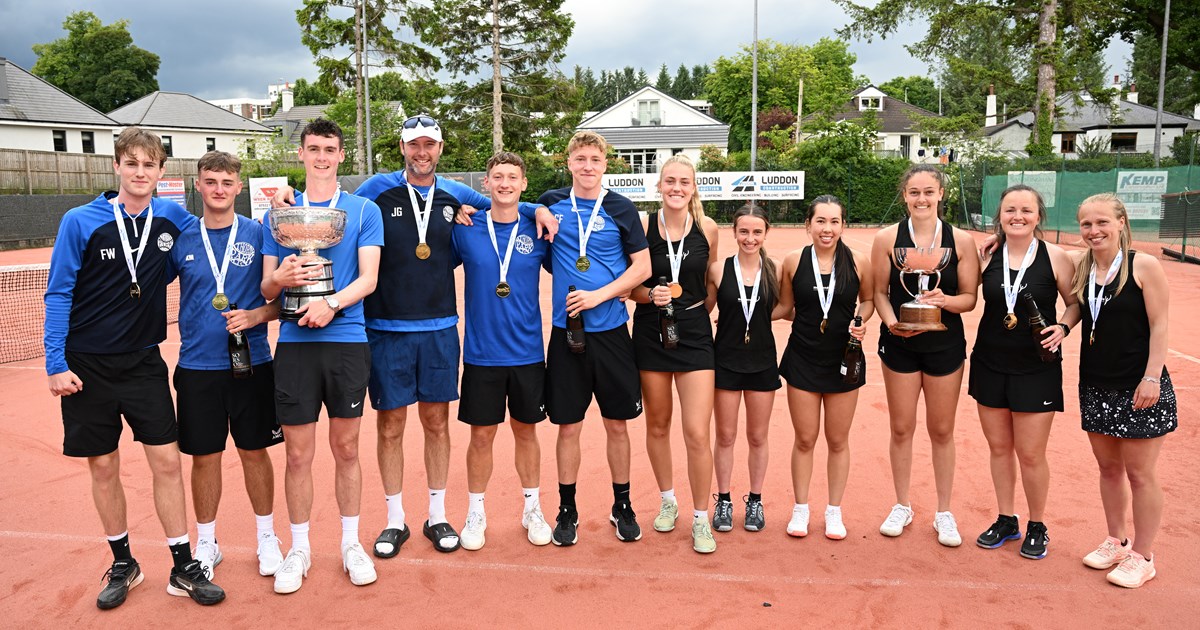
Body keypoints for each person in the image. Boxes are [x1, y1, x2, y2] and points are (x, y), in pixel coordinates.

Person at [44, 126, 224, 608]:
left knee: (166, 461)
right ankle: (124, 562)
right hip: (86, 365)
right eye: (132, 163)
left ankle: (184, 564)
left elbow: (215, 227)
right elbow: (59, 292)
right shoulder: (80, 221)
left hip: (144, 360)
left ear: (162, 171)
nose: (140, 172)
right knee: (103, 465)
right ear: (117, 166)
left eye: (150, 164)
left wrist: (283, 203)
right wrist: (55, 362)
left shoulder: (172, 218)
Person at [261, 119, 383, 593]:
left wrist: (329, 303)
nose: (322, 157)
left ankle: (351, 543)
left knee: (347, 449)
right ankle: (300, 547)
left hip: (348, 339)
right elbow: (266, 286)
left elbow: (368, 279)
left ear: (342, 155)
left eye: (330, 149)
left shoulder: (362, 210)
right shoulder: (280, 214)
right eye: (313, 149)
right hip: (294, 345)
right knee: (297, 455)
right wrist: (286, 278)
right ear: (301, 154)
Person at [170, 151, 285, 579]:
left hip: (251, 364)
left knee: (255, 453)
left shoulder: (259, 234)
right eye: (211, 181)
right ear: (198, 186)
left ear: (239, 187)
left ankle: (266, 538)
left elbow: (285, 300)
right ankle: (206, 543)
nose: (219, 189)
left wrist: (257, 315)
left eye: (227, 182)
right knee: (204, 458)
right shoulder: (182, 237)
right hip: (197, 368)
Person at [539, 130, 650, 546]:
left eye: (595, 160)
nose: (588, 166)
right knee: (568, 426)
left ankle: (622, 505)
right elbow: (513, 206)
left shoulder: (621, 207)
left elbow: (641, 267)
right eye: (580, 159)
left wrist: (598, 295)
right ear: (569, 162)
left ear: (606, 165)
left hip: (611, 331)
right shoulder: (550, 204)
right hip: (566, 334)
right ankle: (567, 510)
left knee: (616, 424)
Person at [869, 164, 979, 547]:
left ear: (941, 194)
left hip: (945, 345)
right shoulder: (886, 238)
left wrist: (945, 300)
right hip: (898, 344)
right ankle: (902, 504)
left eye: (929, 191)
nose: (921, 199)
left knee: (942, 430)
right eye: (914, 192)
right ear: (904, 196)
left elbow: (970, 298)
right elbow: (880, 292)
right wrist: (889, 323)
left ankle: (944, 512)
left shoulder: (961, 241)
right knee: (901, 428)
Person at [450, 151, 553, 550]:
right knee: (481, 437)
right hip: (480, 354)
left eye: (512, 177)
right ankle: (476, 510)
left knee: (527, 433)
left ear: (524, 184)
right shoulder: (466, 227)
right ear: (486, 184)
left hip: (528, 352)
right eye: (498, 177)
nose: (505, 183)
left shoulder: (539, 228)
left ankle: (532, 508)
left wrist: (539, 208)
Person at [969, 185, 1077, 560]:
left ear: (1038, 216)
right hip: (989, 363)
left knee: (1031, 453)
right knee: (999, 449)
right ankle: (1006, 518)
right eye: (1010, 209)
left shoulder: (1057, 257)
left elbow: (1075, 303)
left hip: (1036, 367)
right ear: (999, 215)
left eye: (1026, 210)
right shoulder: (985, 255)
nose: (1018, 216)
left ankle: (1037, 524)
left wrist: (1062, 327)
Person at [1072, 193, 1175, 588]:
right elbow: (1035, 246)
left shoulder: (1142, 265)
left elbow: (1161, 325)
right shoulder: (1083, 266)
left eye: (1101, 223)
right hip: (1096, 384)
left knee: (1140, 474)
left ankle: (1143, 556)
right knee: (1108, 469)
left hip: (1139, 386)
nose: (1094, 231)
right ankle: (1117, 540)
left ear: (1121, 222)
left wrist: (1152, 376)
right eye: (1086, 224)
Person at [629, 155, 720, 553]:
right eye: (670, 181)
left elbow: (711, 283)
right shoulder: (644, 225)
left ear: (694, 186)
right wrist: (650, 295)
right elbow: (629, 285)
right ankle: (668, 500)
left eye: (684, 181)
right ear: (659, 186)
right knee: (658, 425)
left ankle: (702, 519)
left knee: (698, 432)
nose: (677, 188)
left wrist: (696, 312)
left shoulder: (709, 228)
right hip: (651, 331)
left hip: (695, 334)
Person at [774, 196, 874, 539]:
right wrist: (740, 316)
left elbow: (870, 299)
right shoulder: (792, 261)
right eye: (820, 221)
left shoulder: (859, 261)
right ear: (808, 225)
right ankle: (800, 509)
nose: (827, 229)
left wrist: (861, 320)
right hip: (802, 357)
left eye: (834, 222)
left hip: (844, 359)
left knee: (837, 440)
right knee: (804, 438)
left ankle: (834, 511)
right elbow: (785, 306)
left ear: (843, 225)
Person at [707, 203, 785, 534]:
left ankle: (755, 500)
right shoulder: (718, 270)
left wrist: (756, 317)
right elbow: (704, 308)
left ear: (766, 233)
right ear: (734, 231)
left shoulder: (777, 270)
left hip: (762, 362)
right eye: (743, 231)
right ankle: (723, 500)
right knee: (725, 435)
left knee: (757, 436)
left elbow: (788, 307)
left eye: (756, 232)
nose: (749, 238)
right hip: (724, 360)